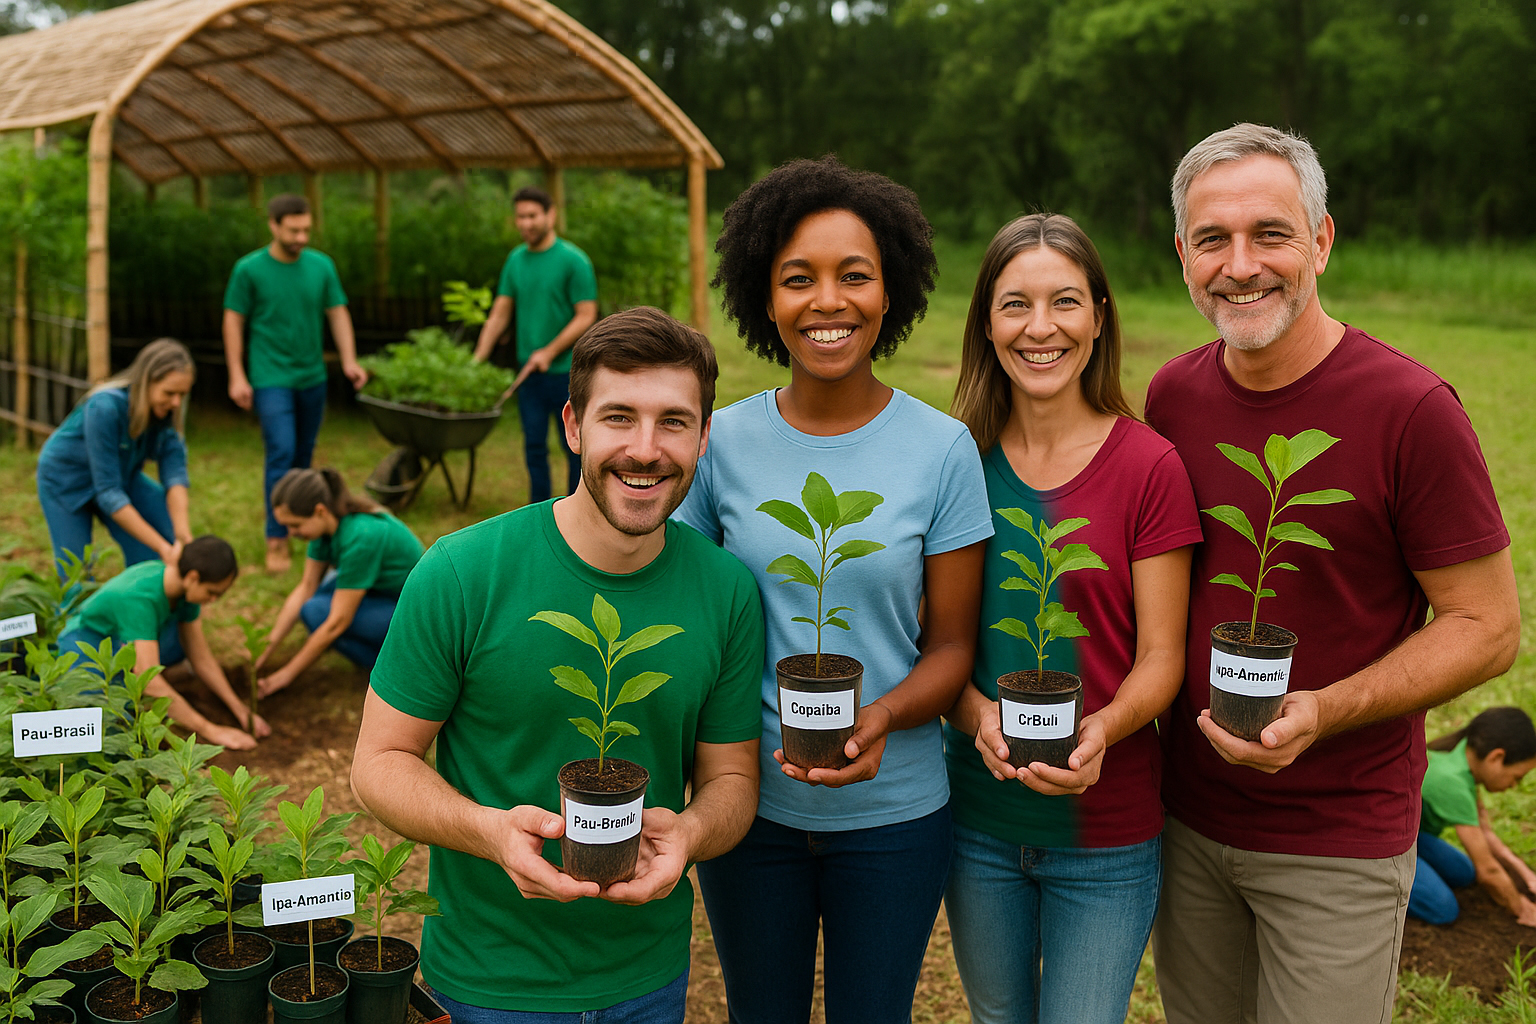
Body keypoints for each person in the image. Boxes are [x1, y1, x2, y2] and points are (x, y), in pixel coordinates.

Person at [1145, 123, 1520, 1024]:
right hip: (1186, 821)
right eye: (1212, 239)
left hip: (1337, 838)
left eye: (1270, 233)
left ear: (1320, 240)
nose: (1241, 265)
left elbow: (1487, 626)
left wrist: (1324, 708)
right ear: (1183, 255)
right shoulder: (1172, 397)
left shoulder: (1411, 410)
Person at [351, 307, 765, 1021]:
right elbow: (379, 763)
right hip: (488, 983)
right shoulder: (464, 572)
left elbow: (731, 779)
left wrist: (692, 834)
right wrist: (489, 832)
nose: (645, 449)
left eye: (673, 422)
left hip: (648, 979)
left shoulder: (726, 589)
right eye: (618, 418)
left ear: (703, 436)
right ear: (573, 426)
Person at [673, 155, 993, 1024]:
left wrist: (881, 716)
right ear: (764, 297)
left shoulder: (942, 450)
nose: (828, 301)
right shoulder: (718, 444)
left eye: (855, 276)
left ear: (891, 293)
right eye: (798, 279)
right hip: (746, 808)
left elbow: (951, 645)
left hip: (898, 816)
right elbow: (691, 621)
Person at [943, 214, 1201, 1024]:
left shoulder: (1150, 466)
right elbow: (938, 644)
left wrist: (1103, 731)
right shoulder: (956, 462)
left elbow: (1161, 657)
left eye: (1064, 301)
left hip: (1107, 836)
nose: (1040, 327)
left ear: (1098, 317)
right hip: (978, 823)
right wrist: (975, 713)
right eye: (1015, 304)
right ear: (987, 323)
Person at [223, 193, 367, 573]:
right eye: (293, 230)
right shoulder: (249, 269)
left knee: (304, 458)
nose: (301, 237)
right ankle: (276, 539)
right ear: (273, 225)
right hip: (270, 375)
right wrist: (237, 373)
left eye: (306, 230)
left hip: (311, 375)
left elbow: (337, 313)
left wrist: (349, 360)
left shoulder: (321, 266)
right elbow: (233, 319)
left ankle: (305, 530)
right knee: (282, 452)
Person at [57, 534, 266, 750]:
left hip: (119, 644)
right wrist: (211, 730)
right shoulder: (140, 598)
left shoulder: (185, 592)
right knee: (105, 729)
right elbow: (149, 680)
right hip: (84, 645)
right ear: (193, 577)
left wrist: (240, 710)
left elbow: (201, 658)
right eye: (212, 593)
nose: (213, 600)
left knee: (144, 682)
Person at [471, 185, 598, 506]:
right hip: (529, 374)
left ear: (550, 215)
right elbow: (500, 312)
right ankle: (539, 510)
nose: (526, 223)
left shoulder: (574, 260)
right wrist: (477, 359)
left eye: (532, 216)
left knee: (575, 447)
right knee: (534, 447)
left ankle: (579, 508)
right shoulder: (516, 260)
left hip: (568, 373)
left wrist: (549, 351)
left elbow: (586, 315)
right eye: (520, 217)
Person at [36, 338, 196, 580]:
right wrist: (163, 548)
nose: (176, 402)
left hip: (121, 476)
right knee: (76, 575)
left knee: (163, 542)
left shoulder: (167, 417)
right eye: (169, 393)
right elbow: (109, 493)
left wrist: (182, 535)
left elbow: (175, 476)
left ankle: (150, 599)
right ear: (146, 382)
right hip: (65, 482)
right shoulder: (105, 407)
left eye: (182, 394)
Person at [255, 467, 423, 696]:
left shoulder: (361, 535)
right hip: (380, 592)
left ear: (320, 511)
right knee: (317, 599)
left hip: (415, 615)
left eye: (295, 525)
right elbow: (306, 587)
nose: (290, 533)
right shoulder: (324, 529)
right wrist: (265, 649)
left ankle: (395, 669)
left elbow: (337, 623)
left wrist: (285, 675)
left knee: (317, 612)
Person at [1411, 707, 1536, 927]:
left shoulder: (1464, 759)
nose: (1514, 785)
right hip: (1380, 841)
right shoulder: (1453, 784)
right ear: (1497, 757)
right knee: (1443, 909)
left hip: (1413, 836)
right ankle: (1374, 883)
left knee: (1464, 872)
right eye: (1517, 777)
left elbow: (1485, 833)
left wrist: (1526, 875)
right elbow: (1488, 870)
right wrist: (1521, 908)